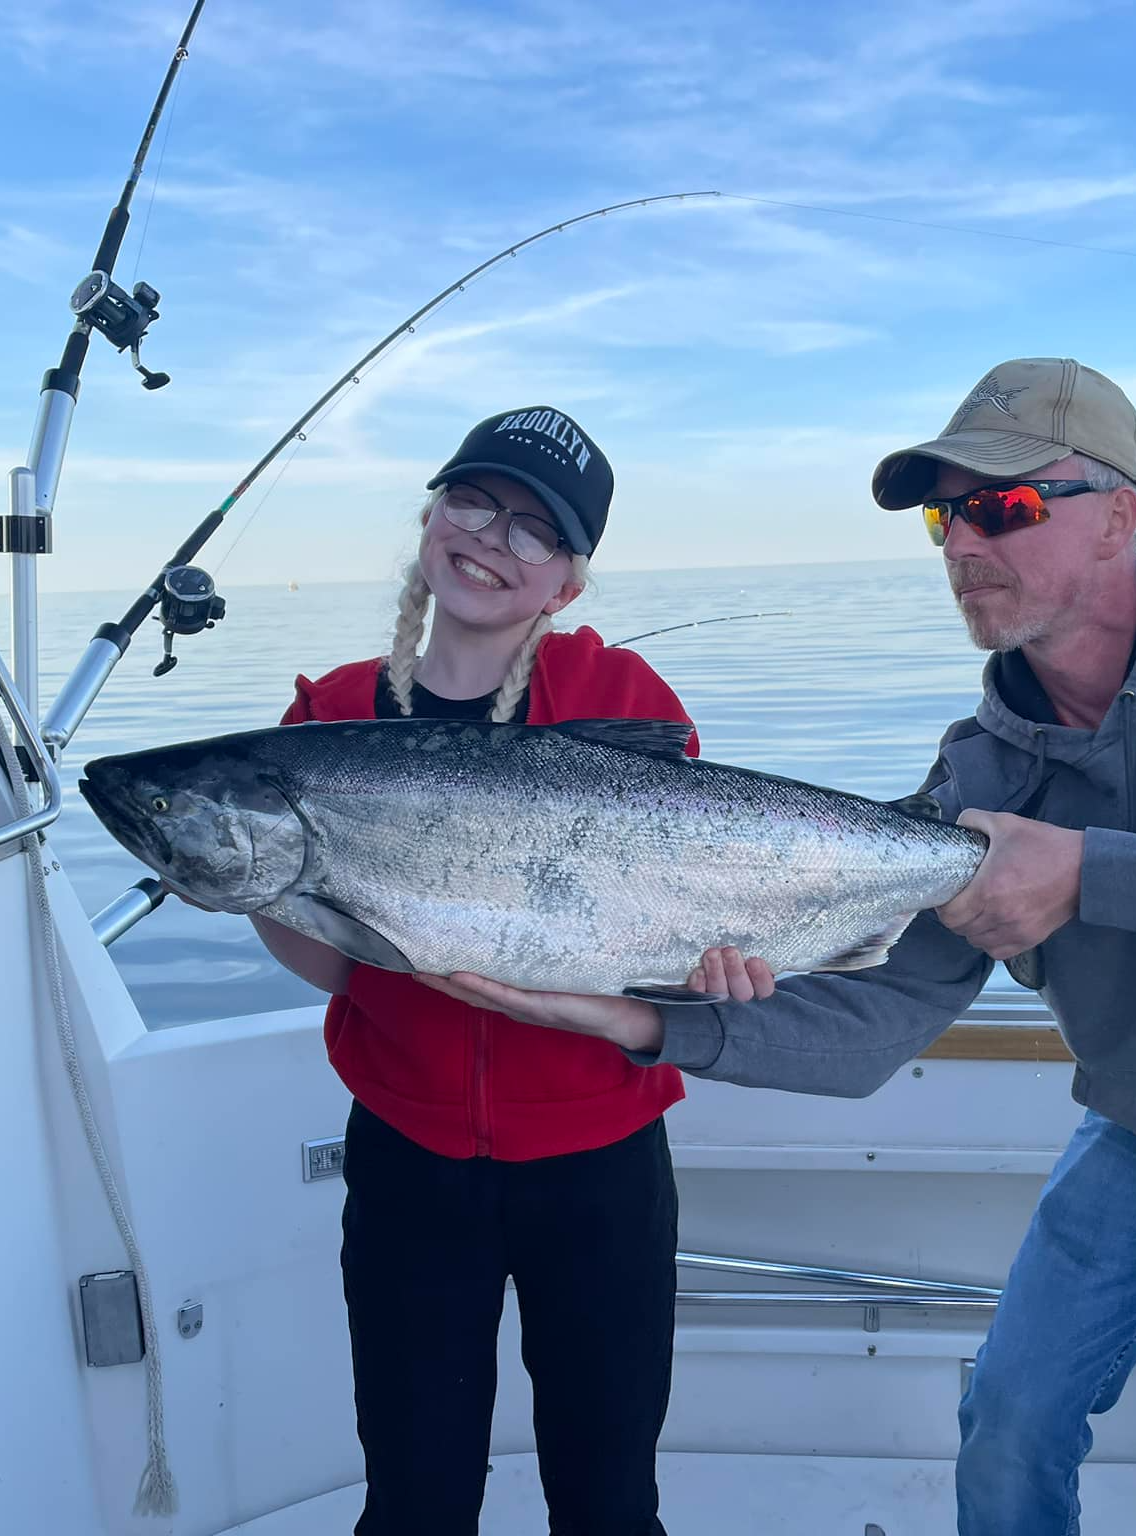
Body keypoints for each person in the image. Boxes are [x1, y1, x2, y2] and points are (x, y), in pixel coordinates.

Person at [439, 359, 1136, 1536]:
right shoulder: (982, 773)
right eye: (947, 514)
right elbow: (879, 1018)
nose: (960, 543)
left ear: (1121, 516)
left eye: (1002, 506)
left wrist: (1092, 871)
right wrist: (646, 1022)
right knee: (1006, 1435)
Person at [253, 407, 693, 1536]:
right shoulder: (334, 715)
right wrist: (267, 885)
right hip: (410, 1162)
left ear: (568, 582)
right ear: (431, 515)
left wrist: (720, 970)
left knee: (606, 1498)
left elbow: (673, 945)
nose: (491, 538)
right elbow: (340, 972)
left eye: (534, 531)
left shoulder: (623, 699)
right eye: (473, 502)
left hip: (600, 1166)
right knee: (415, 1497)